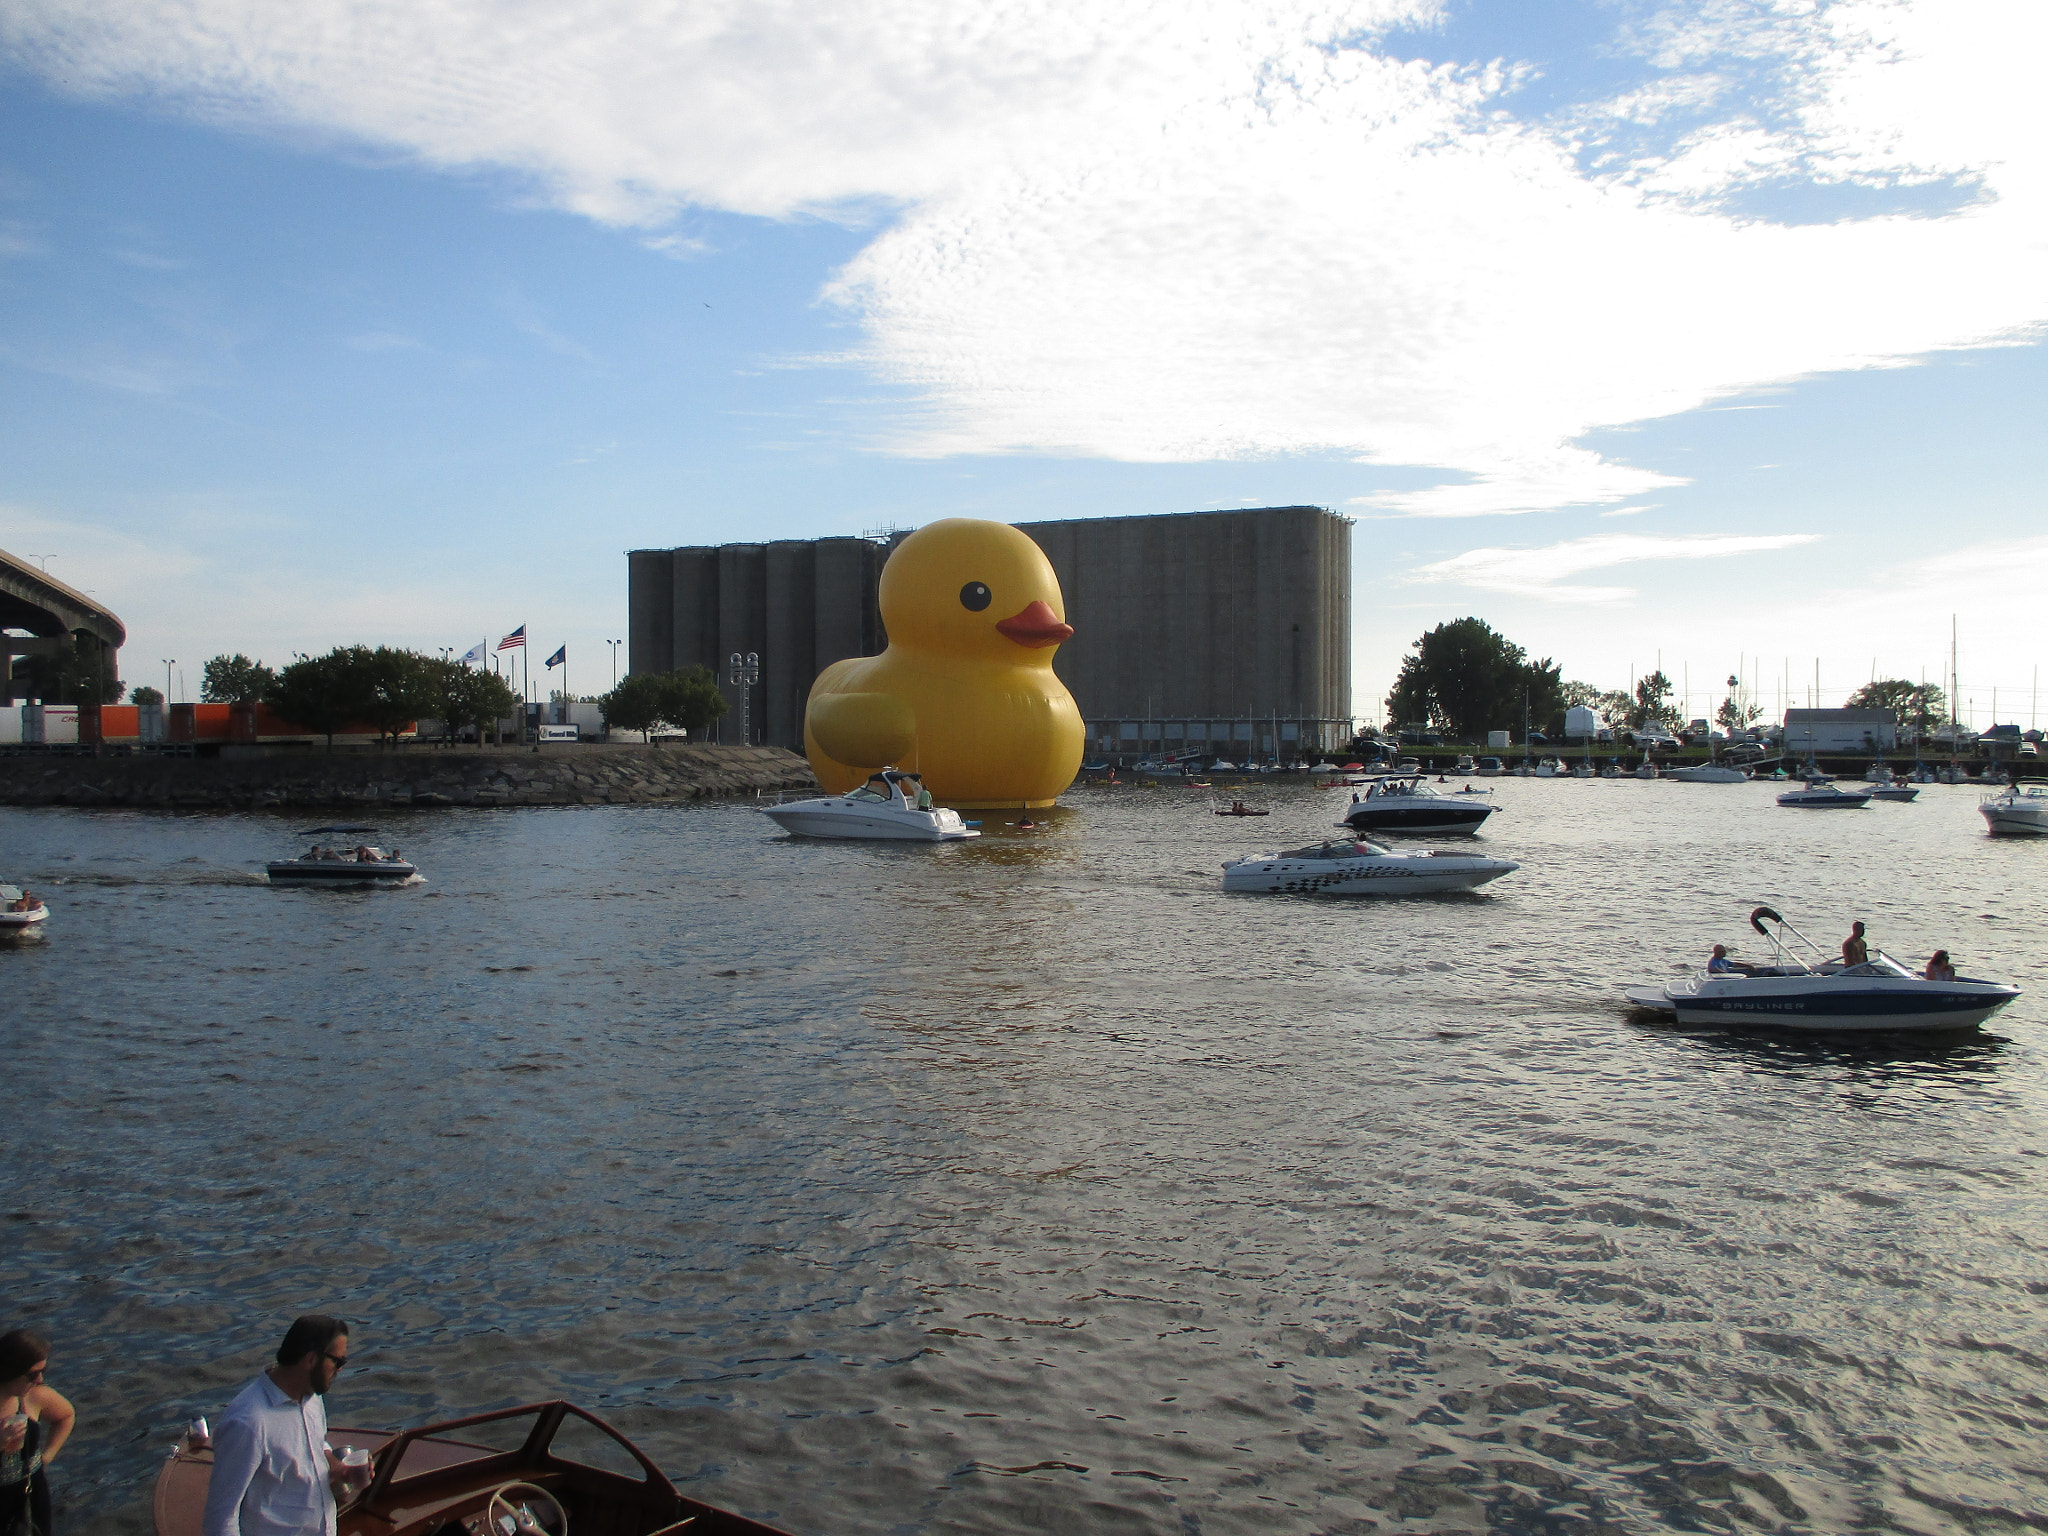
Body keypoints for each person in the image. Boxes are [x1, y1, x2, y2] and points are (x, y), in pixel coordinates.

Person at [202, 1316, 358, 1536]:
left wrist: (336, 1466)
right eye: (337, 1362)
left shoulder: (311, 1398)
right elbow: (220, 1519)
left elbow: (316, 1443)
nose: (340, 1369)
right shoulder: (248, 1423)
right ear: (311, 1359)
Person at [1, 1328, 74, 1536]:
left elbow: (66, 1416)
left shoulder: (32, 1398)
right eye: (33, 1374)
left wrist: (47, 1455)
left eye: (43, 1371)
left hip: (30, 1495)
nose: (40, 1380)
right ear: (12, 1370)